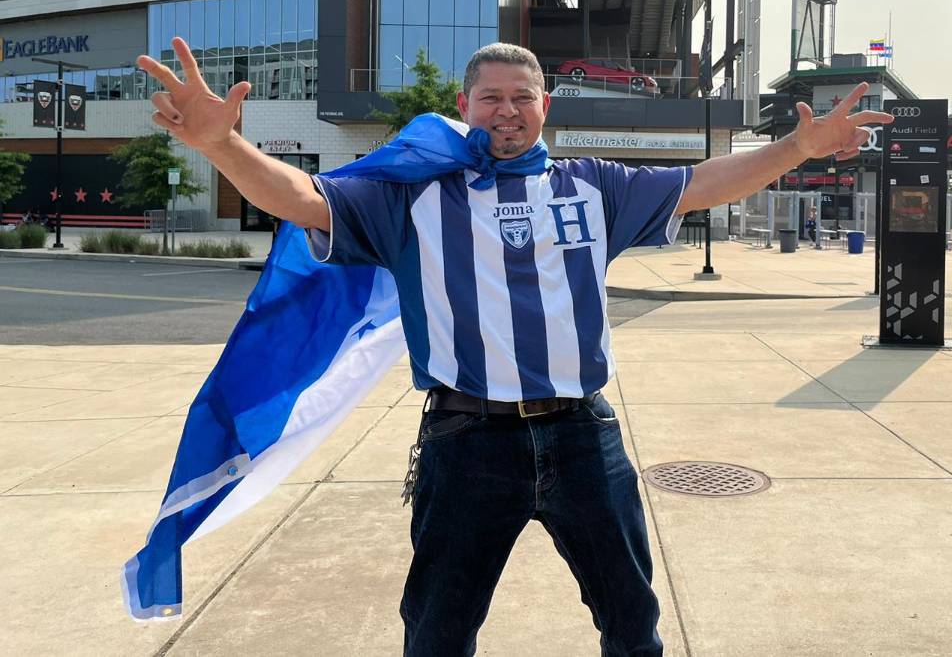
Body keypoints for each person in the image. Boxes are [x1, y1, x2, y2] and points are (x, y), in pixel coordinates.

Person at [136, 37, 890, 655]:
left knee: (633, 627)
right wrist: (224, 145)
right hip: (465, 443)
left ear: (544, 107)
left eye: (521, 96)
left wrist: (796, 146)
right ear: (464, 106)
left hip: (583, 437)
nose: (507, 110)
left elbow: (701, 183)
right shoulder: (410, 197)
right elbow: (302, 197)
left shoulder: (594, 186)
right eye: (490, 96)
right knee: (438, 636)